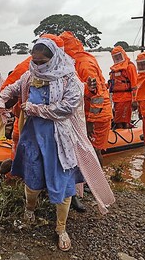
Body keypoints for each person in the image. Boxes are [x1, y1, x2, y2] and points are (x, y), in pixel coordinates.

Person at [0, 37, 115, 251]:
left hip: (59, 139)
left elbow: (66, 108)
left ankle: (61, 228)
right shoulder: (29, 76)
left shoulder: (69, 79)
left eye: (42, 61)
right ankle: (29, 210)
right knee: (32, 178)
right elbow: (11, 90)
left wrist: (35, 109)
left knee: (63, 183)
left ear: (54, 58)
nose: (38, 65)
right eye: (35, 60)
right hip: (32, 137)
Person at [60, 31, 112, 212]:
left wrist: (91, 120)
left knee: (92, 148)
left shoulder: (82, 63)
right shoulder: (81, 60)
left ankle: (95, 182)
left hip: (96, 113)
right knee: (89, 148)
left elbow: (95, 92)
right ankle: (90, 181)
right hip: (91, 112)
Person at [109, 46, 138, 129]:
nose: (117, 58)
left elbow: (134, 84)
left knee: (122, 121)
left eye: (119, 56)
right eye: (115, 57)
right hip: (116, 98)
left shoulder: (129, 67)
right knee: (118, 120)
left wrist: (134, 100)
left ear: (123, 54)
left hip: (125, 98)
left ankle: (125, 133)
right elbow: (111, 84)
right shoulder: (114, 69)